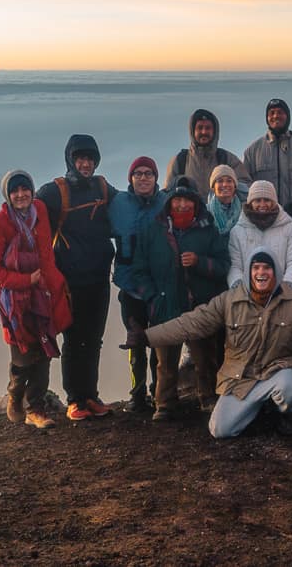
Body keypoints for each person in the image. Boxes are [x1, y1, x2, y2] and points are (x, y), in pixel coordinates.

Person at [127, 249, 292, 438]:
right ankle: (258, 407)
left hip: (280, 369)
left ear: (275, 272)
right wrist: (147, 337)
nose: (261, 272)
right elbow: (190, 323)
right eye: (256, 268)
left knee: (290, 391)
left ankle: (281, 411)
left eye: (267, 268)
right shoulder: (229, 300)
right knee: (220, 431)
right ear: (249, 272)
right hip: (241, 377)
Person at [130, 176, 229, 420]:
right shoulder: (154, 230)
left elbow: (224, 266)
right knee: (165, 359)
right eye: (177, 200)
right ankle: (164, 404)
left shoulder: (208, 229)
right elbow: (139, 270)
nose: (182, 205)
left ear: (196, 202)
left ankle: (208, 396)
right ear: (169, 202)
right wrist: (153, 297)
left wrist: (199, 262)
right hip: (166, 304)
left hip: (199, 305)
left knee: (205, 357)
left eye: (187, 200)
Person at [0, 170, 72, 429]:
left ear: (32, 191)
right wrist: (25, 281)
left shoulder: (40, 210)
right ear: (7, 195)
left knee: (44, 351)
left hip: (44, 295)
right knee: (22, 358)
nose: (21, 195)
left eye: (25, 189)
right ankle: (15, 393)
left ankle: (36, 408)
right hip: (15, 303)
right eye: (15, 191)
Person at [36, 134, 118, 422]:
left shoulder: (103, 187)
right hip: (69, 282)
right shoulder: (55, 192)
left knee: (94, 339)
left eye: (90, 158)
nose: (86, 163)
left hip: (99, 278)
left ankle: (91, 396)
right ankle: (75, 400)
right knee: (74, 339)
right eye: (80, 158)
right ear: (70, 159)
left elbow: (129, 206)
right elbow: (27, 212)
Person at [109, 156, 168, 412]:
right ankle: (137, 394)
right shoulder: (117, 204)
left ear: (156, 178)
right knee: (135, 340)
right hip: (130, 285)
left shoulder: (166, 202)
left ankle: (160, 392)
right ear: (130, 179)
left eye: (149, 173)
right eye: (138, 174)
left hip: (159, 285)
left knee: (158, 339)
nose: (143, 178)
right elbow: (90, 223)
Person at [243, 98, 292, 211]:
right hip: (263, 221)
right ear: (267, 118)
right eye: (272, 113)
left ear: (287, 116)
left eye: (280, 112)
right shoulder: (252, 151)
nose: (276, 116)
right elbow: (244, 185)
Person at [227, 180, 292, 290]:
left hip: (281, 293)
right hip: (247, 295)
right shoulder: (238, 231)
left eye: (267, 200)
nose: (262, 205)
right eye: (257, 200)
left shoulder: (289, 228)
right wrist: (239, 288)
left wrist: (288, 286)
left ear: (274, 202)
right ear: (250, 203)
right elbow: (234, 265)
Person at [165, 108, 252, 201]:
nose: (204, 132)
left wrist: (225, 194)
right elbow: (168, 194)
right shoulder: (179, 161)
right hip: (190, 214)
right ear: (192, 131)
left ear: (215, 131)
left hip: (222, 215)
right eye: (200, 128)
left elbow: (246, 187)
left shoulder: (228, 159)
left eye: (208, 128)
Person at [206, 164, 246, 235]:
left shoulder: (245, 212)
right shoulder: (205, 212)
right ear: (213, 187)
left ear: (235, 185)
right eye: (220, 181)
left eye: (229, 181)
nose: (225, 184)